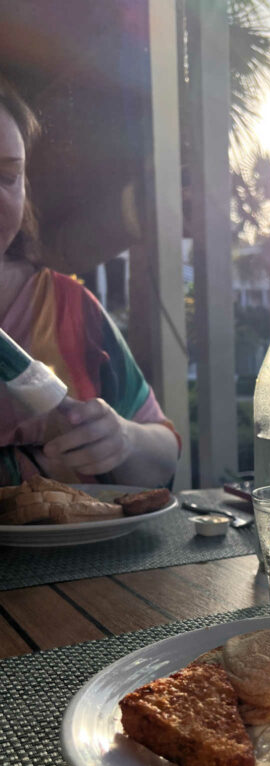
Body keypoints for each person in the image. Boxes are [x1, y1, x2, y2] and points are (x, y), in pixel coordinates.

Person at [0, 75, 179, 487]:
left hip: (81, 553)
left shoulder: (69, 307)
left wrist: (124, 439)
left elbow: (165, 454)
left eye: (7, 176)